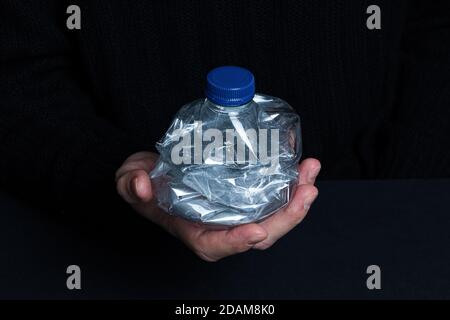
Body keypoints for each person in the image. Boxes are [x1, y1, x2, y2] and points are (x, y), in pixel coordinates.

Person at [1, 1, 449, 261]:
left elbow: (436, 26)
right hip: (107, 241)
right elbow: (16, 69)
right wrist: (114, 173)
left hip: (376, 224)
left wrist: (404, 186)